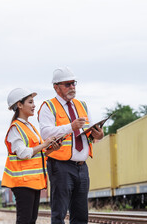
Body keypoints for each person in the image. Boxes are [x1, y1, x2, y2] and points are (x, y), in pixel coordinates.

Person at [38, 67, 104, 224]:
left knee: (81, 215)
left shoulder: (82, 105)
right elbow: (46, 133)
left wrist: (99, 135)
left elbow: (90, 131)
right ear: (56, 87)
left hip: (82, 166)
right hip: (60, 166)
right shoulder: (48, 106)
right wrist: (70, 127)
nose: (72, 87)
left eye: (73, 83)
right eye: (67, 84)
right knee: (59, 213)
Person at [1, 88, 61, 224]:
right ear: (19, 105)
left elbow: (37, 155)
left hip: (33, 181)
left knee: (31, 220)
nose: (34, 105)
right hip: (23, 182)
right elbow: (23, 153)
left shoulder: (30, 127)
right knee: (25, 220)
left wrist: (50, 149)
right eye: (30, 102)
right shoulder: (16, 128)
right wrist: (44, 144)